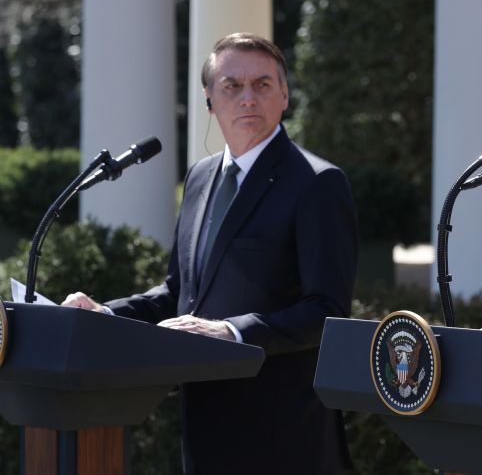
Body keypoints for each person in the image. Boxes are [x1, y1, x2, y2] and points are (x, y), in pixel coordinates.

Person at [63, 33, 357, 474]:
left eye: (261, 85)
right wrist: (104, 315)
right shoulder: (201, 177)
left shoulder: (317, 183)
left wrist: (231, 332)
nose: (247, 99)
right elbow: (179, 293)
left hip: (284, 434)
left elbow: (327, 310)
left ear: (285, 95)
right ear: (208, 100)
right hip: (203, 423)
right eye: (231, 86)